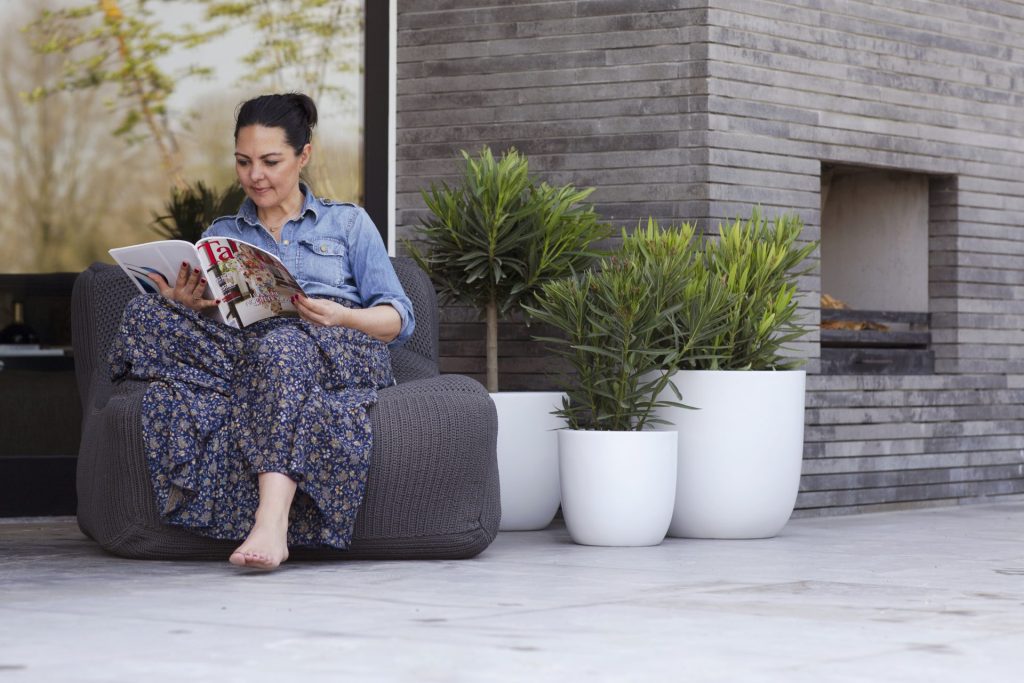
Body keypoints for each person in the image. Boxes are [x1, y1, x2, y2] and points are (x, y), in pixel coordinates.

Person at [109, 93, 414, 571]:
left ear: (303, 156)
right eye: (244, 162)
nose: (256, 176)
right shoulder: (222, 233)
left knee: (282, 342)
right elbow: (225, 322)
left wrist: (343, 316)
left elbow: (399, 318)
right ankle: (260, 385)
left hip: (338, 346)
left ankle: (271, 523)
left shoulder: (348, 223)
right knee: (145, 315)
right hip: (250, 350)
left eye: (271, 161)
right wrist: (193, 306)